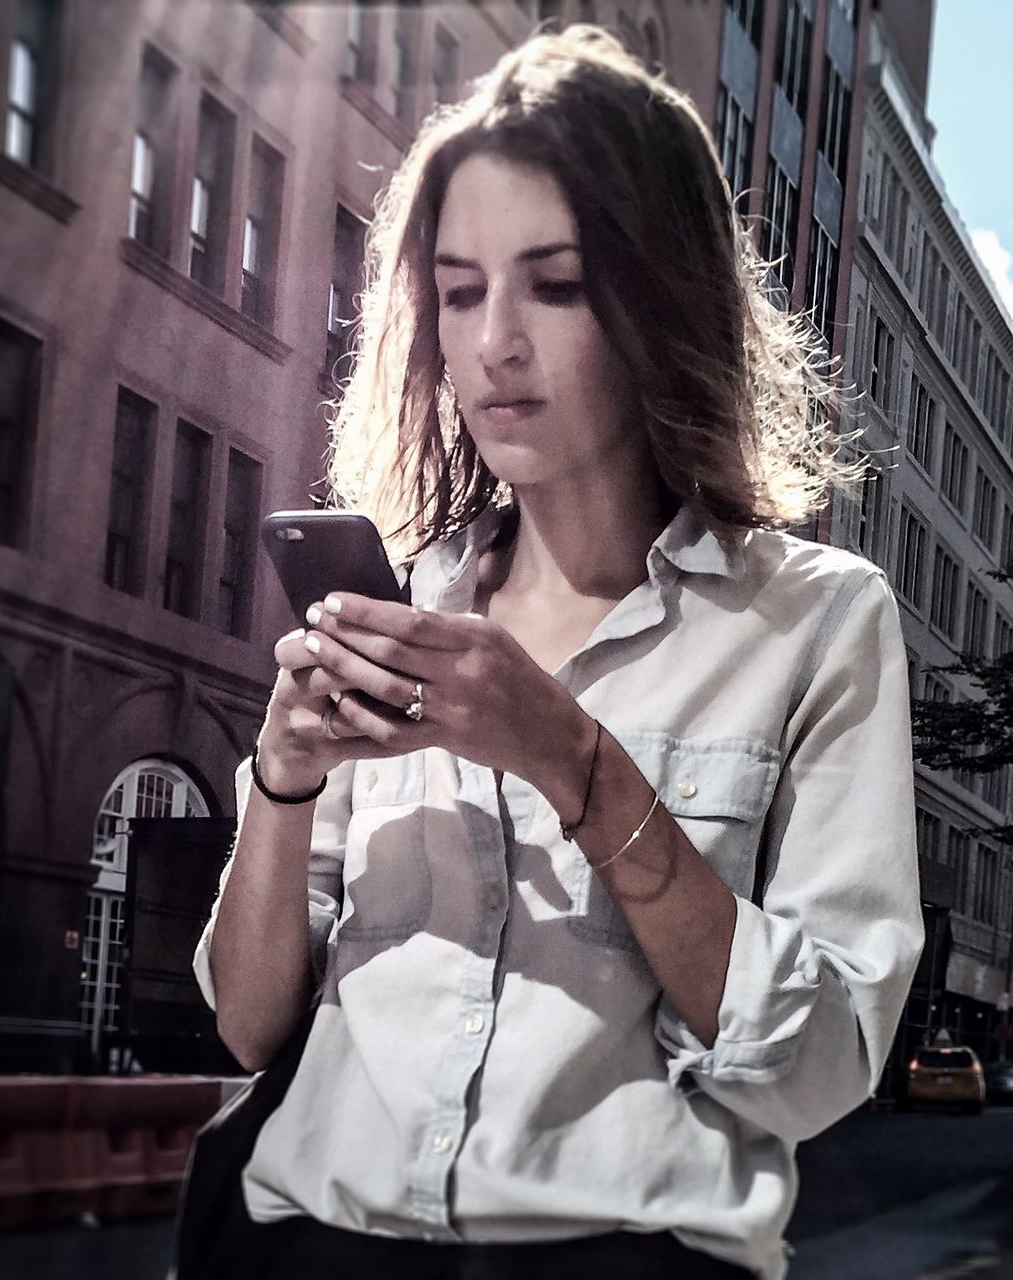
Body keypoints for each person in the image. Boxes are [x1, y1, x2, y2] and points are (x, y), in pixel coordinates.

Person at [193, 24, 922, 1280]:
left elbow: (817, 1067)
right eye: (461, 290)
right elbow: (252, 1024)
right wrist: (282, 774)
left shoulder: (815, 623)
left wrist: (571, 760)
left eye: (556, 282)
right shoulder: (400, 607)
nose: (493, 344)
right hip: (308, 1247)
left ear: (660, 294)